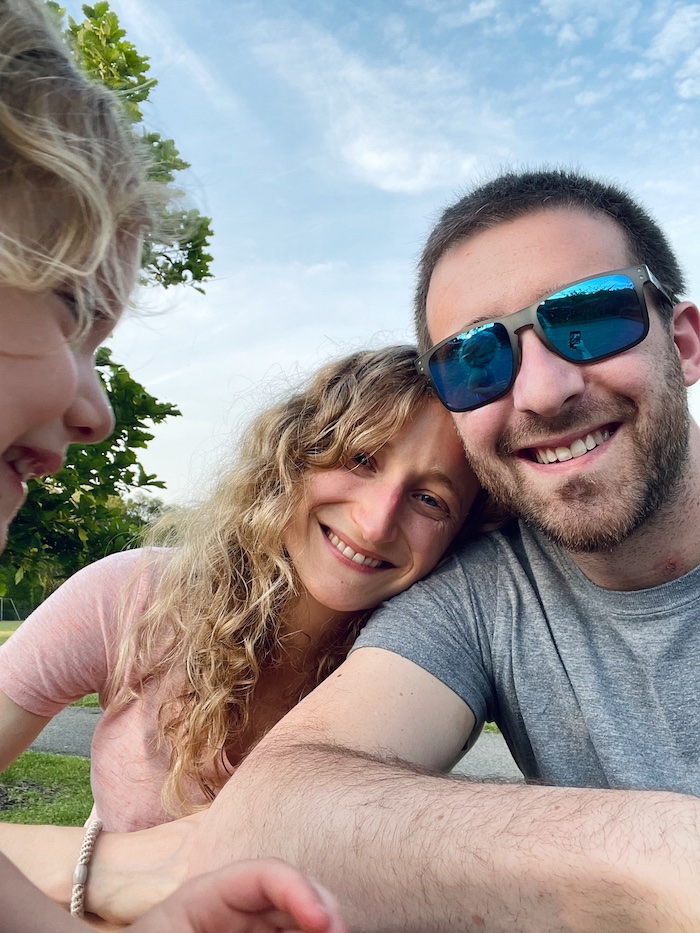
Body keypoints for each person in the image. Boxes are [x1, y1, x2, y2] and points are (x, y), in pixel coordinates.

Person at [76, 167, 700, 932]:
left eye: (590, 319)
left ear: (684, 343)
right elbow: (277, 812)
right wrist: (664, 855)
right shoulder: (488, 590)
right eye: (476, 359)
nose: (542, 391)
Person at [0, 0, 348, 930]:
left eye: (434, 496)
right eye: (72, 311)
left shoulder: (408, 649)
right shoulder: (133, 597)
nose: (98, 413)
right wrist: (109, 869)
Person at [0, 344, 480, 834]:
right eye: (360, 459)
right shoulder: (133, 596)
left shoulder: (434, 676)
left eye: (430, 499)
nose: (376, 524)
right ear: (293, 457)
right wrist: (90, 867)